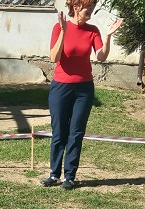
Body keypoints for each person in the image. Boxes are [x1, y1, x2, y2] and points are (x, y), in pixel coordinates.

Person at [41, 1, 123, 190]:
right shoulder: (59, 27)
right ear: (77, 7)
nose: (90, 15)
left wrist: (108, 36)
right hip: (60, 87)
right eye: (88, 11)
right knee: (59, 132)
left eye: (92, 12)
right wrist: (63, 31)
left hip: (84, 90)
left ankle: (70, 176)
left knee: (76, 133)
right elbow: (54, 58)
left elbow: (101, 57)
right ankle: (54, 174)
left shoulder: (92, 30)